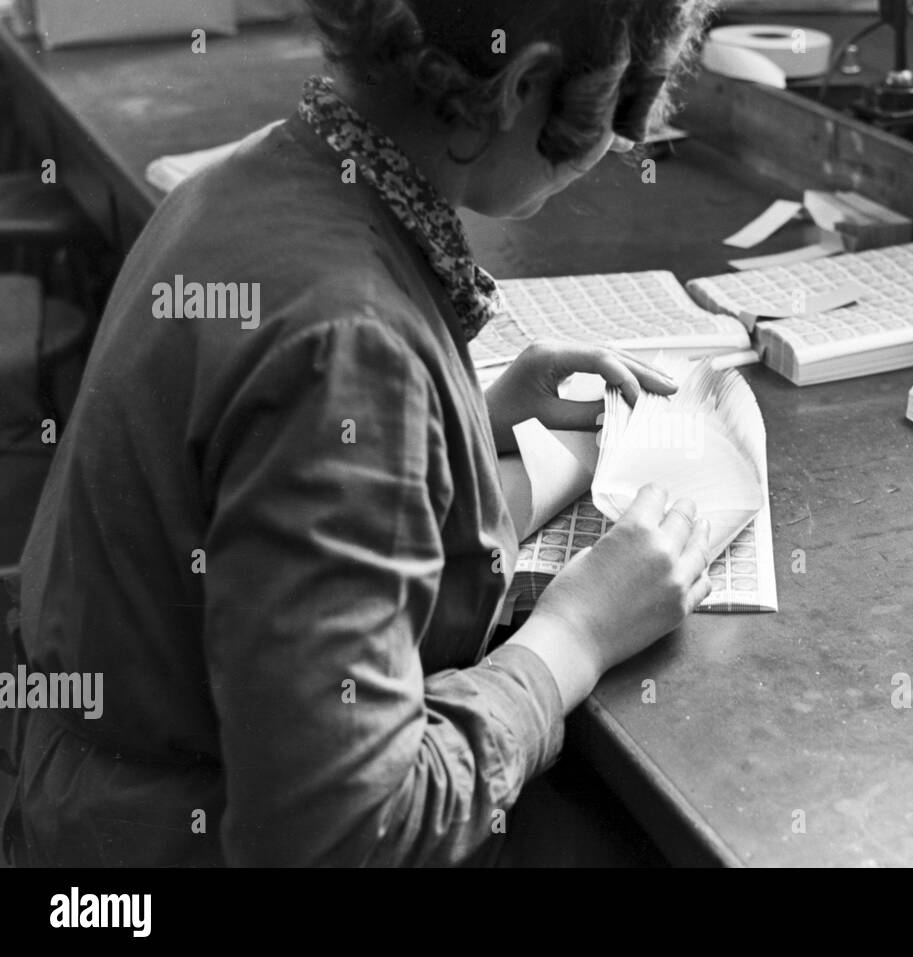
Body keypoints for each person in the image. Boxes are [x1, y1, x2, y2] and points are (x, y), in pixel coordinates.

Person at [4, 0, 718, 866]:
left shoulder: (258, 176)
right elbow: (342, 831)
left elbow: (246, 490)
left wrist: (452, 428)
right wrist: (577, 634)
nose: (616, 146)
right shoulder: (348, 343)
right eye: (619, 107)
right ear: (525, 84)